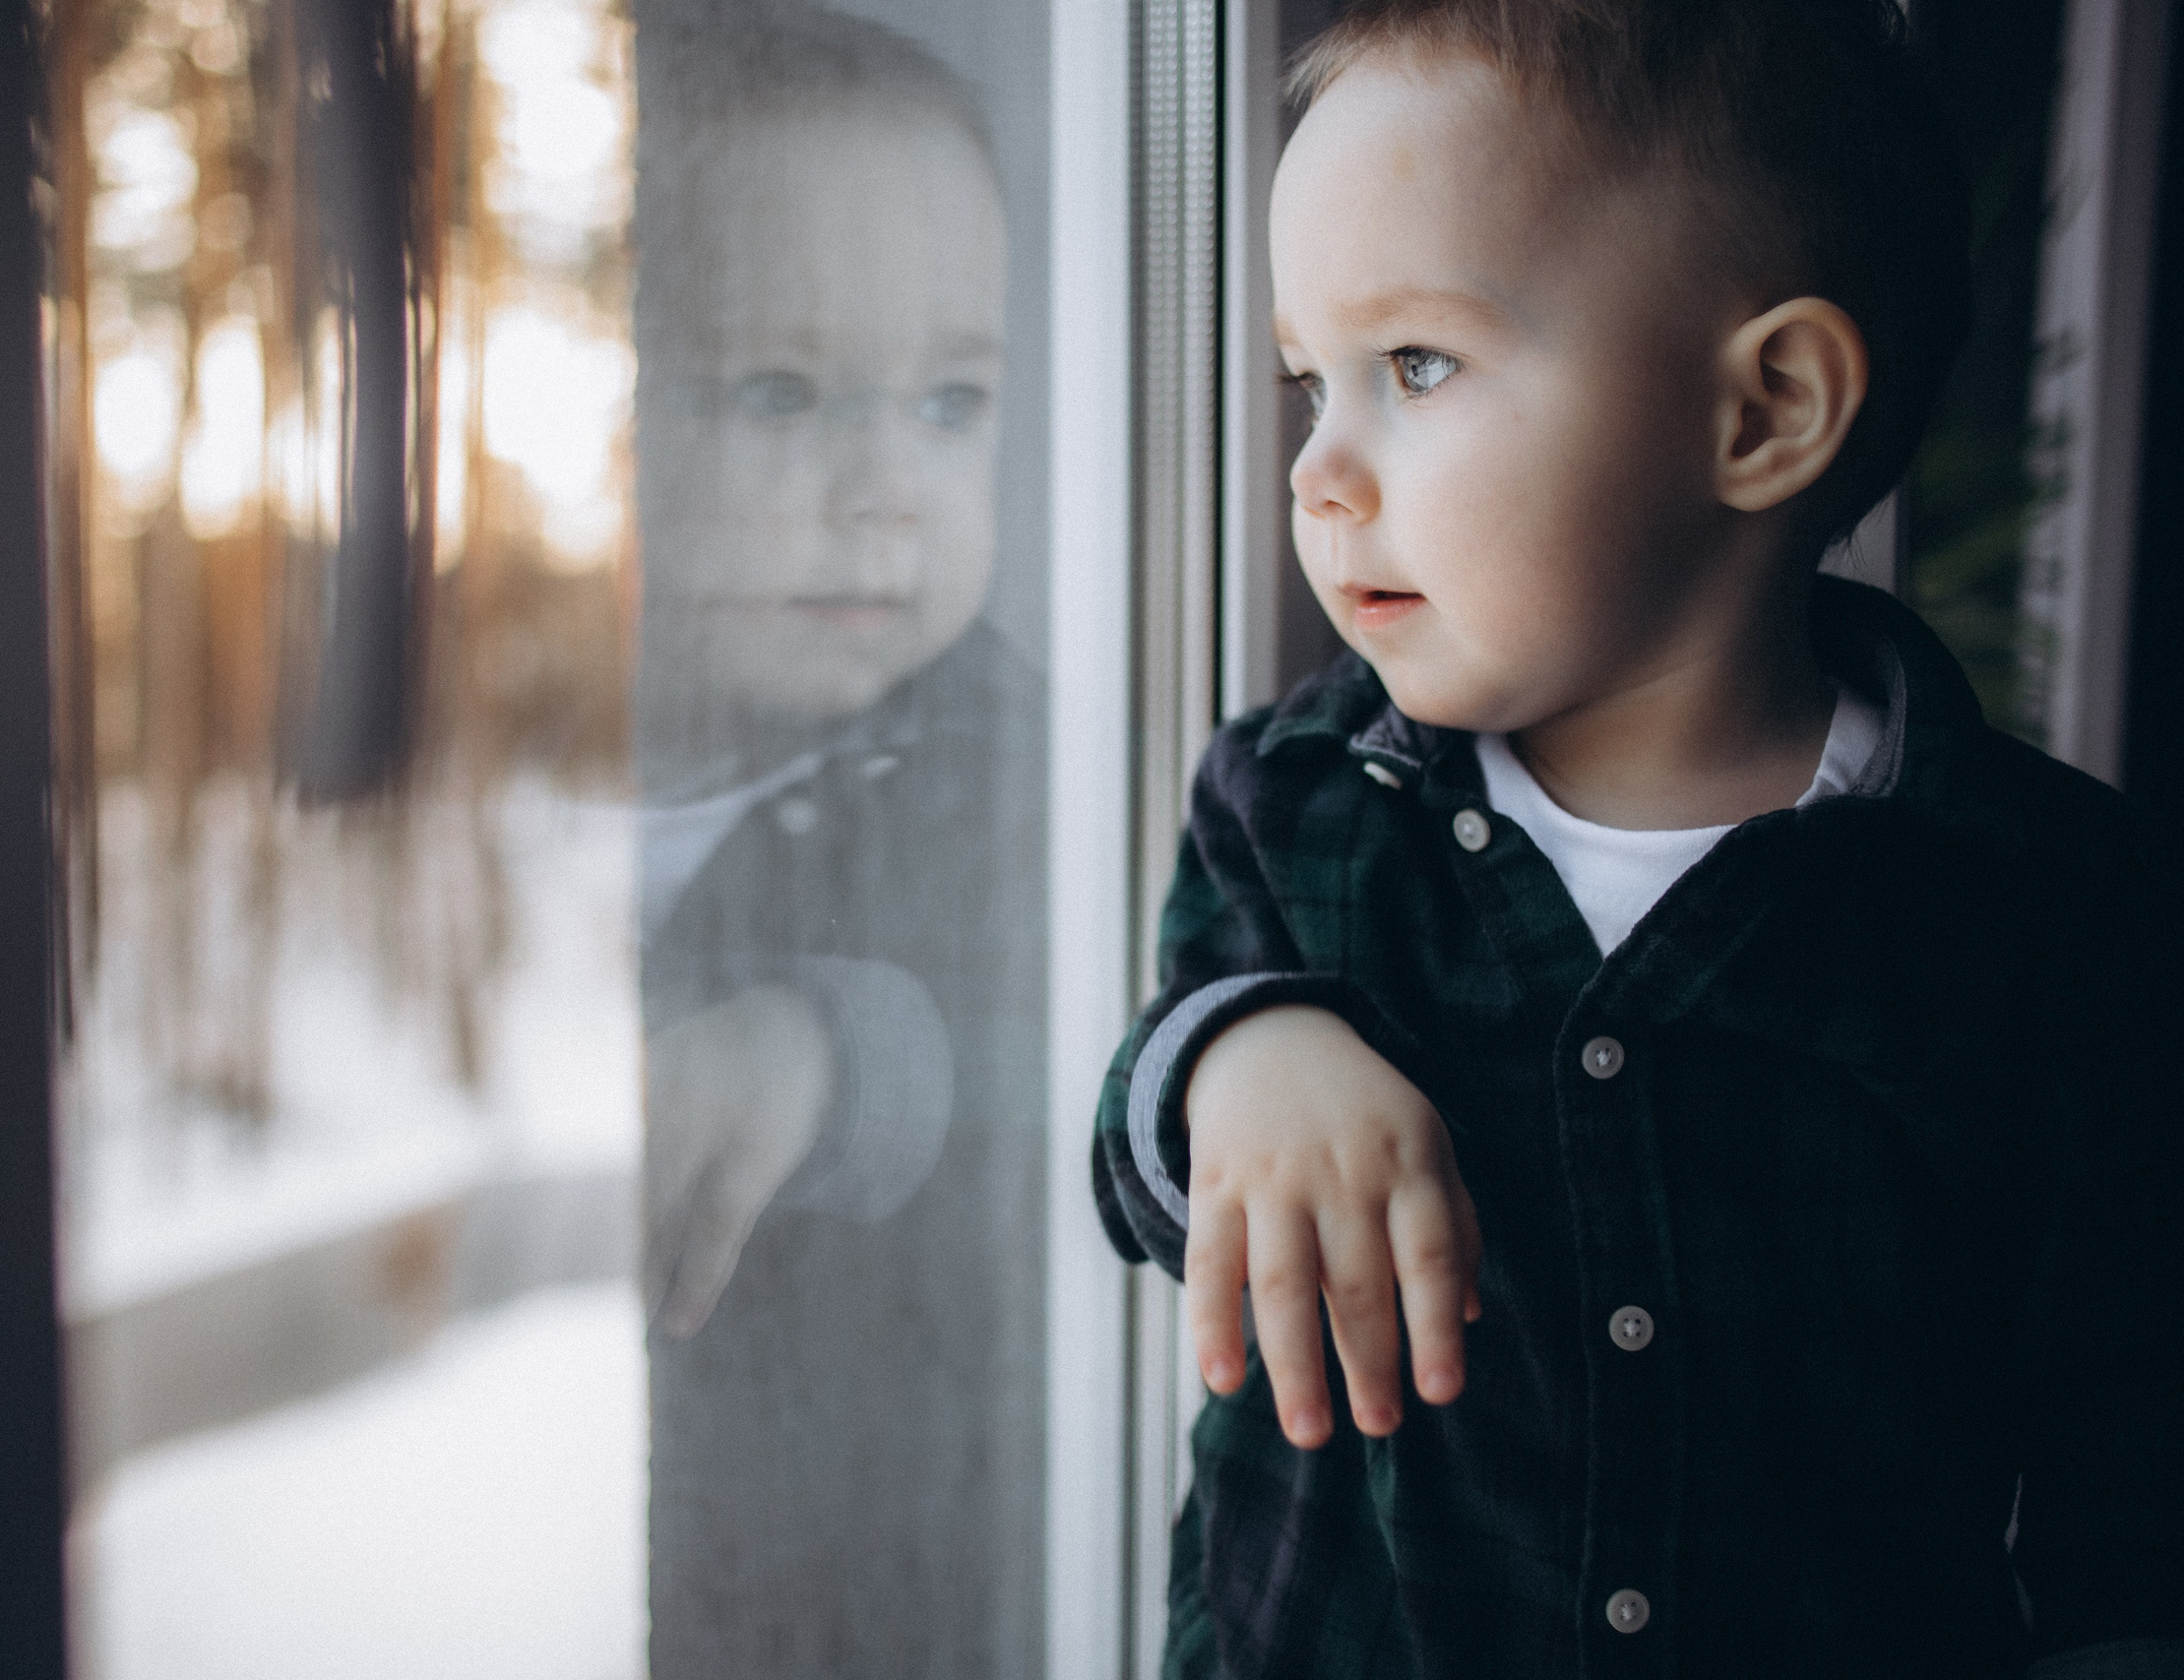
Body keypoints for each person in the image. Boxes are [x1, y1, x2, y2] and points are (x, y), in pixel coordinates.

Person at [1091, 2, 2183, 1675]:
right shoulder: (1292, 802)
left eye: (1418, 365)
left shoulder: (2051, 920)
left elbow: (2127, 1475)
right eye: (1313, 381)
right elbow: (1141, 1150)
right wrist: (1242, 1052)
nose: (1319, 469)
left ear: (1766, 414)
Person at [631, 5, 1045, 1675]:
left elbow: (1099, 1038)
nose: (888, 488)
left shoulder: (992, 762)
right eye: (783, 390)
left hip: (866, 1596)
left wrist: (837, 1049)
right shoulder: (470, 772)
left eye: (952, 403)